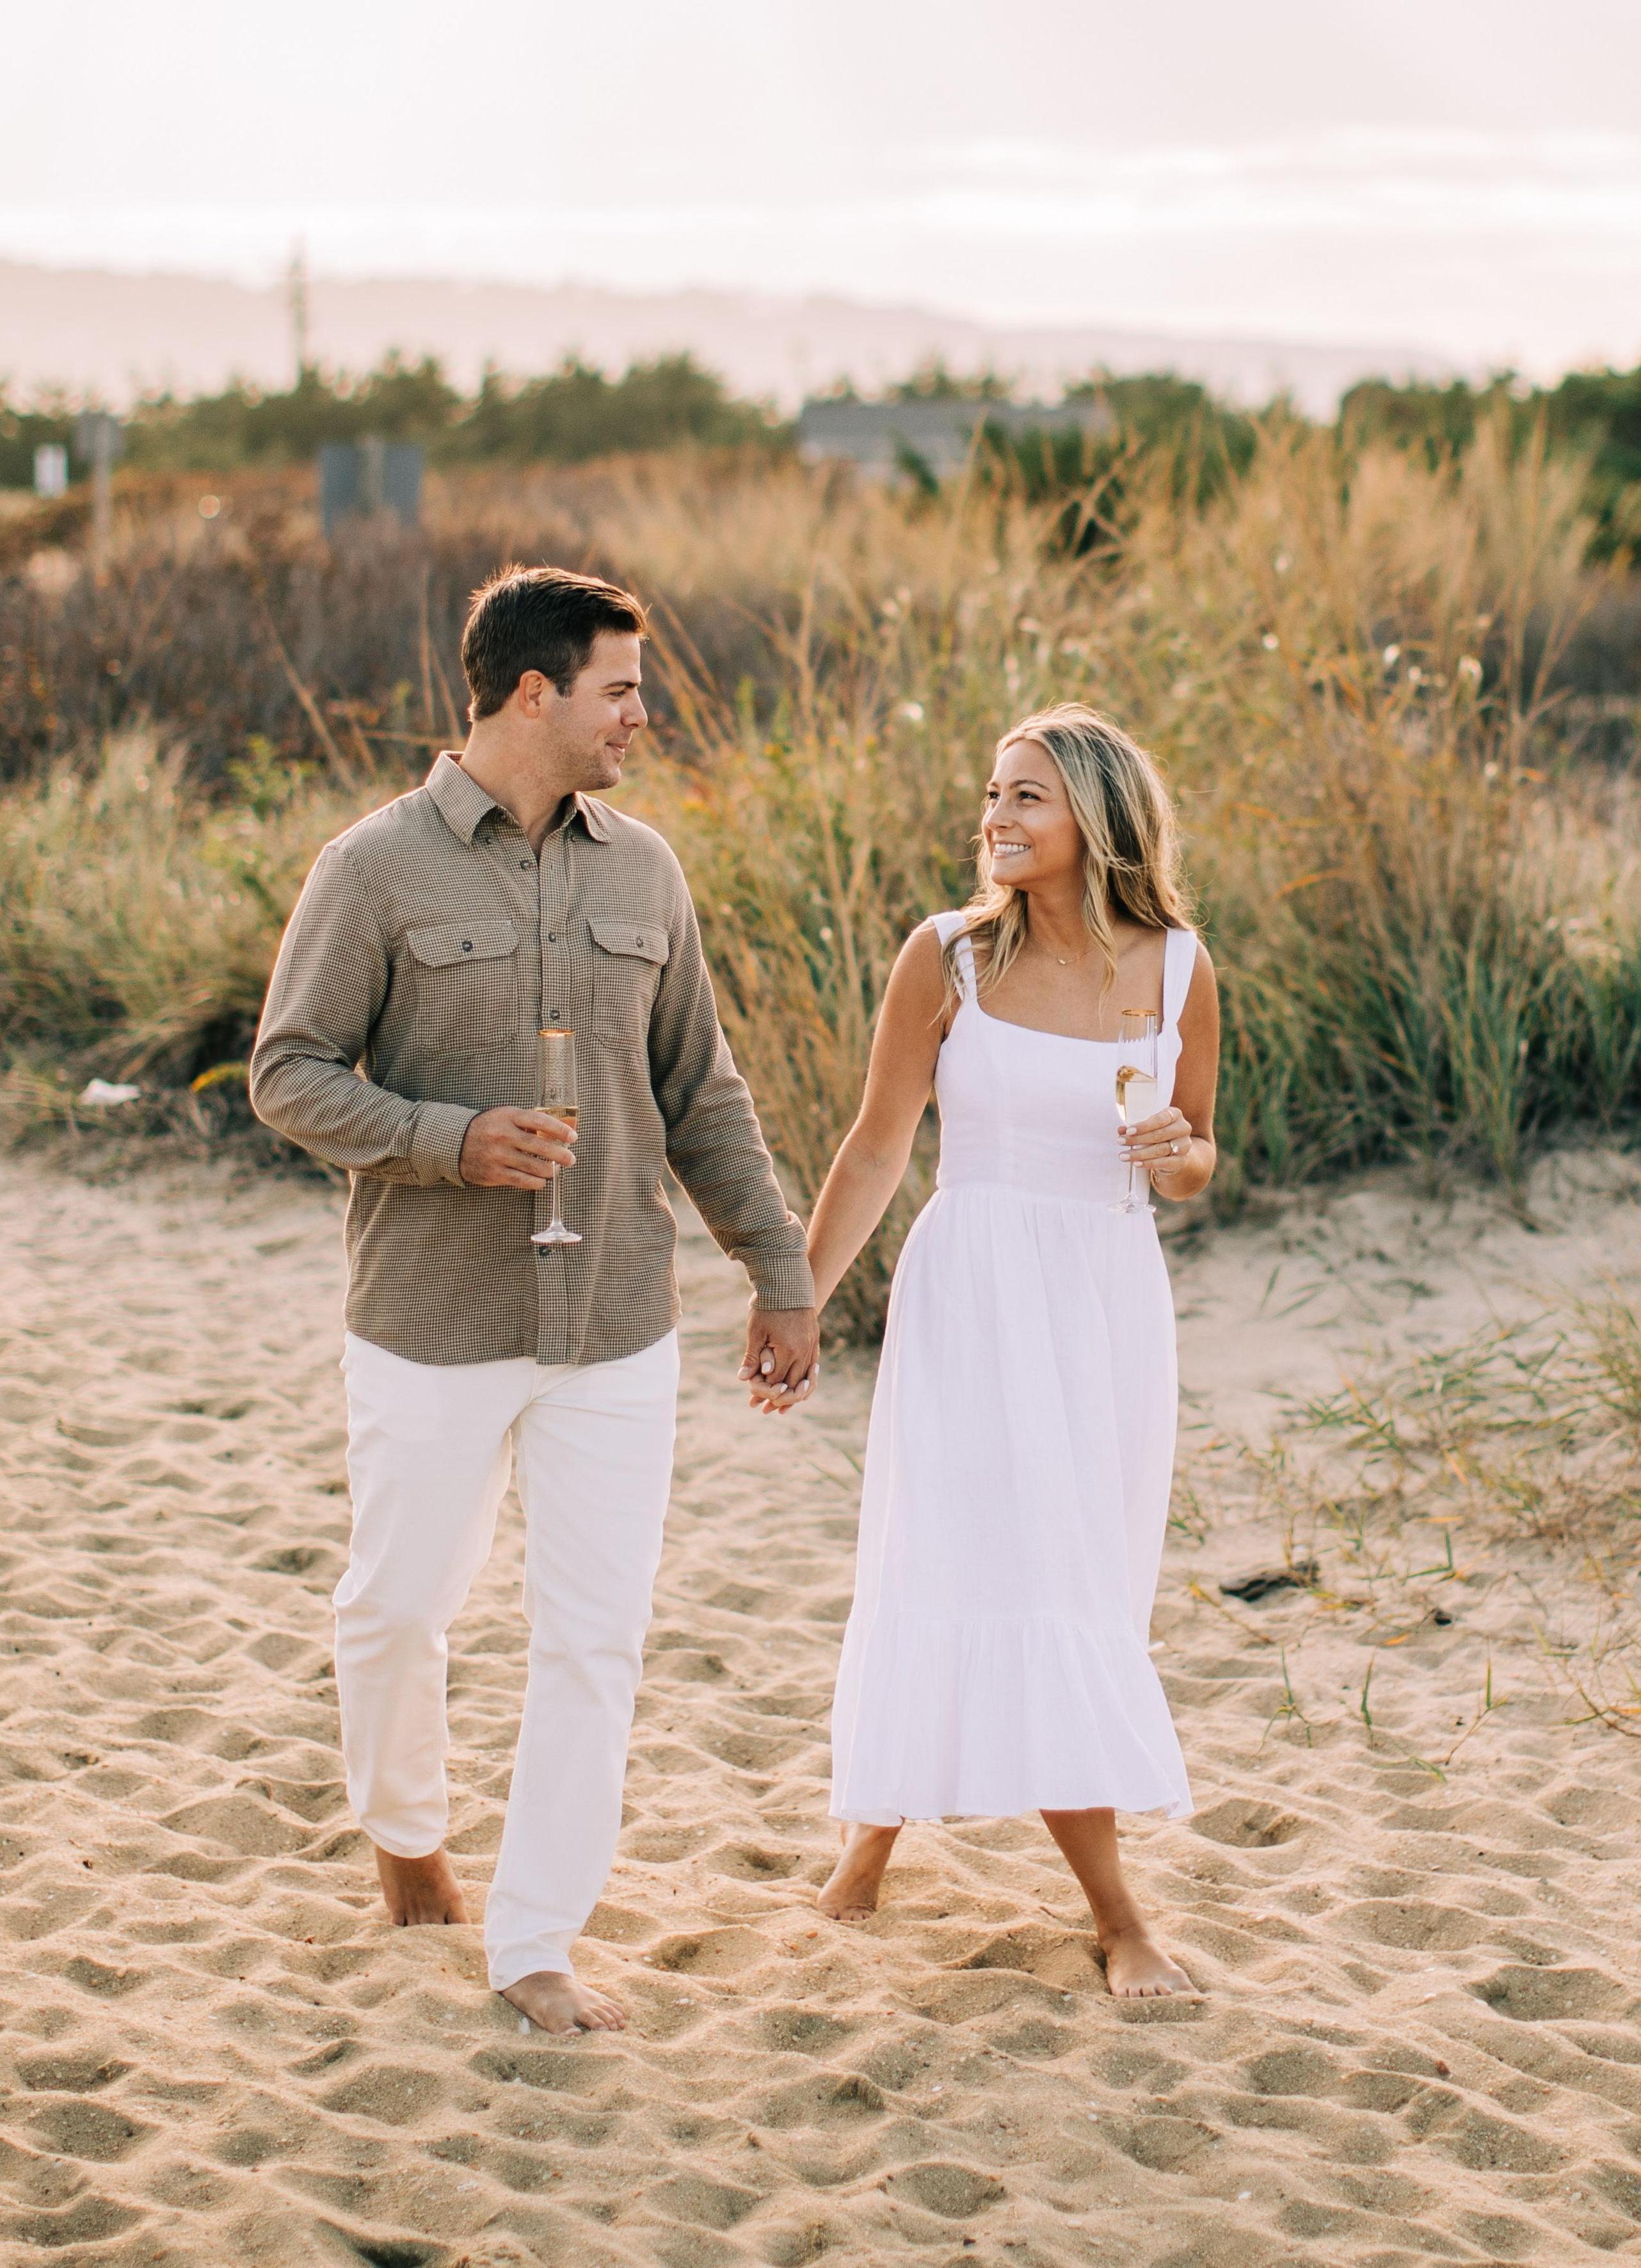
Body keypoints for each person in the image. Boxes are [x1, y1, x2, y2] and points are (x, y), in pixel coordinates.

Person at [249, 567, 818, 2037]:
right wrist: (451, 1142)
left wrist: (781, 1271)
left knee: (593, 1639)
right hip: (433, 1318)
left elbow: (703, 1091)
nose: (643, 715)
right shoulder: (370, 870)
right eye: (620, 688)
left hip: (618, 1323)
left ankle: (536, 1938)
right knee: (392, 1613)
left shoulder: (646, 875)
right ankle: (408, 1846)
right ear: (529, 693)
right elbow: (288, 1074)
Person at [801, 703, 1215, 1996]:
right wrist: (795, 1301)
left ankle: (879, 1847)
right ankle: (1103, 1909)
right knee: (948, 1553)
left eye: (1027, 796)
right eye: (992, 794)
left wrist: (1179, 1155)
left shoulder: (1180, 968)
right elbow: (877, 1146)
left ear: (1095, 815)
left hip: (1102, 1298)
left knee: (1073, 1580)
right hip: (971, 1288)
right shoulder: (946, 959)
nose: (996, 817)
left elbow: (1198, 1153)